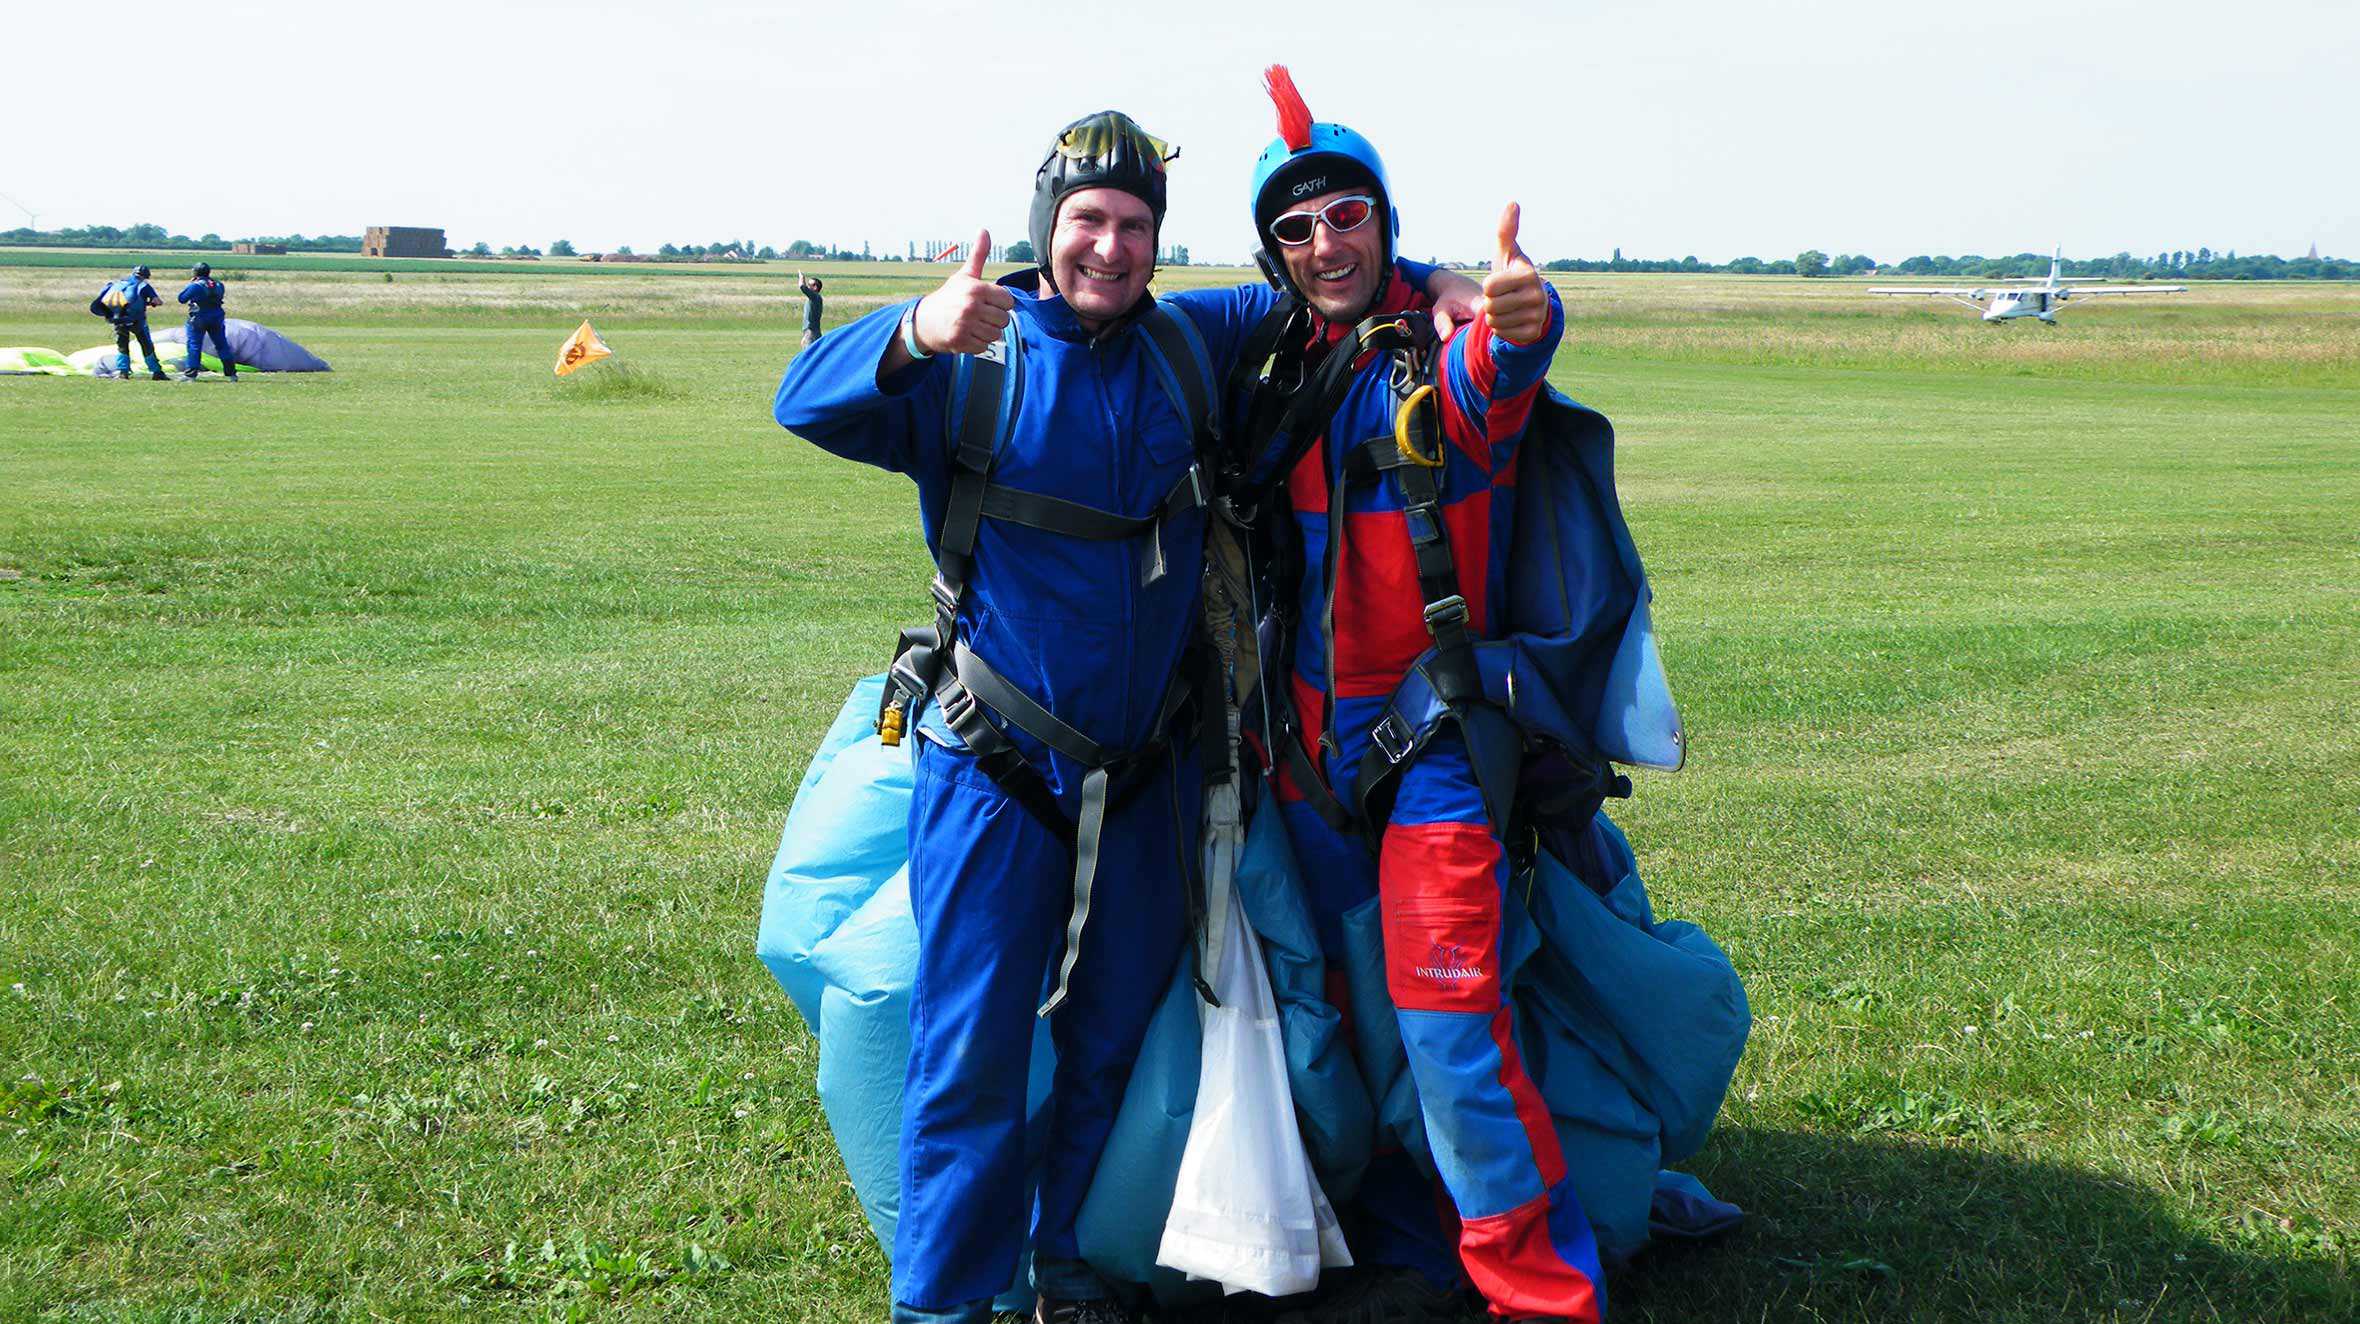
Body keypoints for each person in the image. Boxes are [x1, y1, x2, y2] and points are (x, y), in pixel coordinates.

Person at [1205, 68, 1600, 1324]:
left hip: (1430, 746)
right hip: (1305, 754)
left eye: (1347, 217)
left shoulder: (1439, 365)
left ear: (1383, 220)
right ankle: (1391, 1226)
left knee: (1445, 1023)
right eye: (1296, 228)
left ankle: (1537, 1296)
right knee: (1334, 1012)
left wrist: (1512, 312)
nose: (1325, 244)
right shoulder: (1272, 369)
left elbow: (1503, 364)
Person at [88, 264, 167, 381]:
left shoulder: (117, 284)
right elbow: (158, 301)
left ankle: (123, 372)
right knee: (146, 345)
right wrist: (150, 303)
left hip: (118, 320)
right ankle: (156, 371)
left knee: (122, 346)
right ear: (145, 276)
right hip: (137, 321)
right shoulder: (144, 286)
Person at [177, 263, 237, 381]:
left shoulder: (196, 286)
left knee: (194, 345)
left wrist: (190, 284)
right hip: (217, 317)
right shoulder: (219, 284)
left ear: (195, 273)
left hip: (199, 318)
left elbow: (181, 298)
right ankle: (231, 374)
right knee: (221, 344)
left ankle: (191, 374)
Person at [797, 271, 825, 347]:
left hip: (811, 332)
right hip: (811, 331)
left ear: (815, 287)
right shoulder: (815, 298)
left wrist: (801, 278)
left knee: (808, 355)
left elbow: (803, 287)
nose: (808, 286)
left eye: (810, 285)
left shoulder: (815, 297)